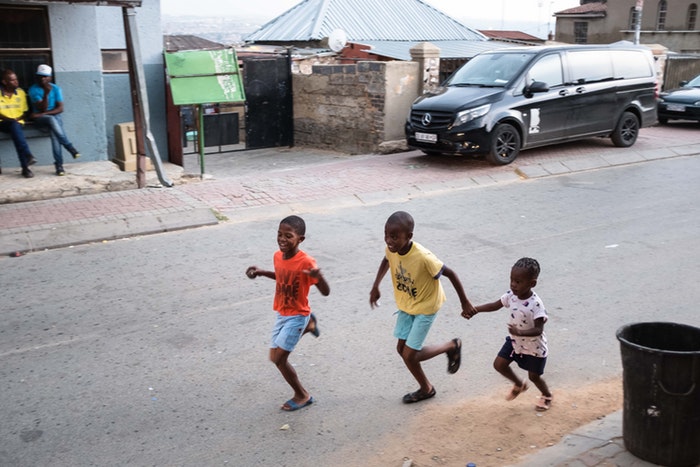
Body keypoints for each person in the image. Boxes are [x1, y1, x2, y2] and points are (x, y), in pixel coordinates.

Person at [369, 211, 476, 404]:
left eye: (394, 237)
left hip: (426, 306)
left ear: (409, 236)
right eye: (386, 235)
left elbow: (450, 273)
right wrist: (376, 285)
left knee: (410, 355)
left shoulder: (423, 257)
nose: (388, 241)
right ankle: (428, 385)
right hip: (406, 305)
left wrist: (465, 302)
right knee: (402, 350)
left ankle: (448, 351)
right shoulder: (391, 250)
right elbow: (386, 260)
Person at [246, 215, 330, 412]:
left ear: (300, 239)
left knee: (278, 359)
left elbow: (326, 292)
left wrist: (320, 278)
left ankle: (302, 395)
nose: (282, 239)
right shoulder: (278, 256)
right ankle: (309, 326)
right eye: (279, 235)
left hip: (298, 314)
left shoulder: (306, 262)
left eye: (288, 236)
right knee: (274, 357)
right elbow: (282, 275)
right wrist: (261, 272)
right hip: (282, 313)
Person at [463, 257, 553, 411]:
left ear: (532, 283)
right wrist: (475, 310)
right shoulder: (511, 295)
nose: (513, 284)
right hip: (515, 342)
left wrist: (520, 331)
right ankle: (519, 384)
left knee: (534, 377)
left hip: (534, 348)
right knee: (499, 365)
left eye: (518, 282)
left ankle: (547, 395)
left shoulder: (536, 304)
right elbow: (495, 305)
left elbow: (539, 330)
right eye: (512, 280)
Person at [28, 64, 80, 176]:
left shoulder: (56, 88)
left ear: (50, 77)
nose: (43, 79)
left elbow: (60, 108)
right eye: (40, 76)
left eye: (45, 76)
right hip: (40, 121)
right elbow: (43, 107)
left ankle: (59, 166)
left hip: (50, 117)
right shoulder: (33, 90)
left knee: (55, 136)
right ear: (37, 77)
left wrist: (44, 113)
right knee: (52, 120)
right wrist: (46, 94)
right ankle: (69, 147)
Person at [0, 69, 37, 178]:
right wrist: (10, 119)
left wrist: (17, 119)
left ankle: (26, 161)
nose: (16, 82)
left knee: (16, 129)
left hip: (16, 123)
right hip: (2, 123)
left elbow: (26, 112)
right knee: (15, 128)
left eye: (16, 79)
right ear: (4, 82)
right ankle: (26, 164)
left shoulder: (20, 93)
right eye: (12, 80)